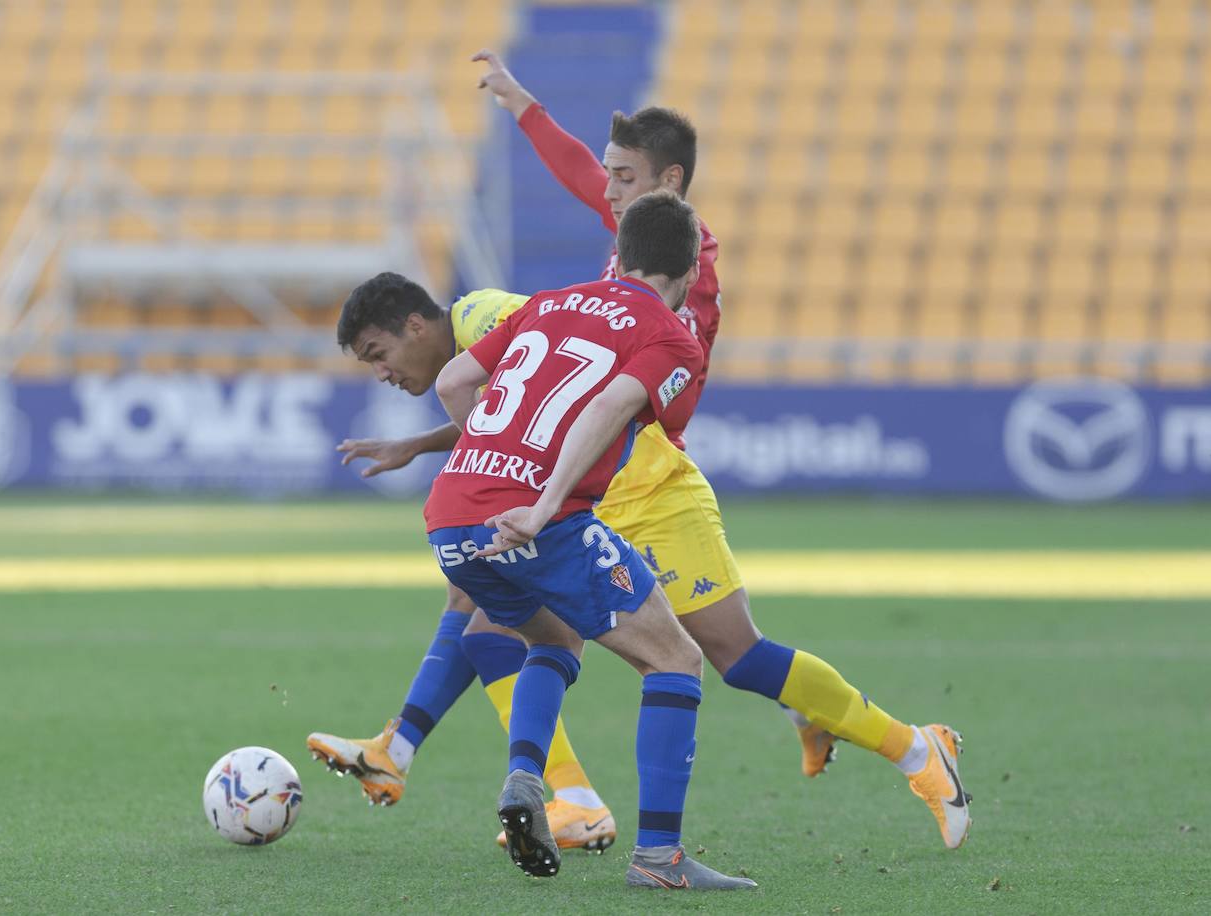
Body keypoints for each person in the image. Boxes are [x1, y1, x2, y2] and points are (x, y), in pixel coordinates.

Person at [310, 57, 972, 852]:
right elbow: (576, 181)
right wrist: (522, 104)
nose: (608, 188)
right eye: (611, 176)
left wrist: (544, 464)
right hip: (586, 481)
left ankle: (912, 746)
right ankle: (542, 789)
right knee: (483, 615)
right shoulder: (633, 243)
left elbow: (655, 398)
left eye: (624, 177)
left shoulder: (688, 274)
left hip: (650, 482)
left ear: (670, 184)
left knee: (734, 655)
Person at [428, 190, 753, 888]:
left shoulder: (547, 301)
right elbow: (611, 404)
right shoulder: (671, 334)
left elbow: (454, 378)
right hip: (539, 521)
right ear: (690, 270)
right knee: (674, 659)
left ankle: (525, 776)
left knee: (552, 639)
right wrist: (543, 503)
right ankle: (660, 859)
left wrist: (491, 455)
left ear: (621, 253)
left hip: (451, 513)